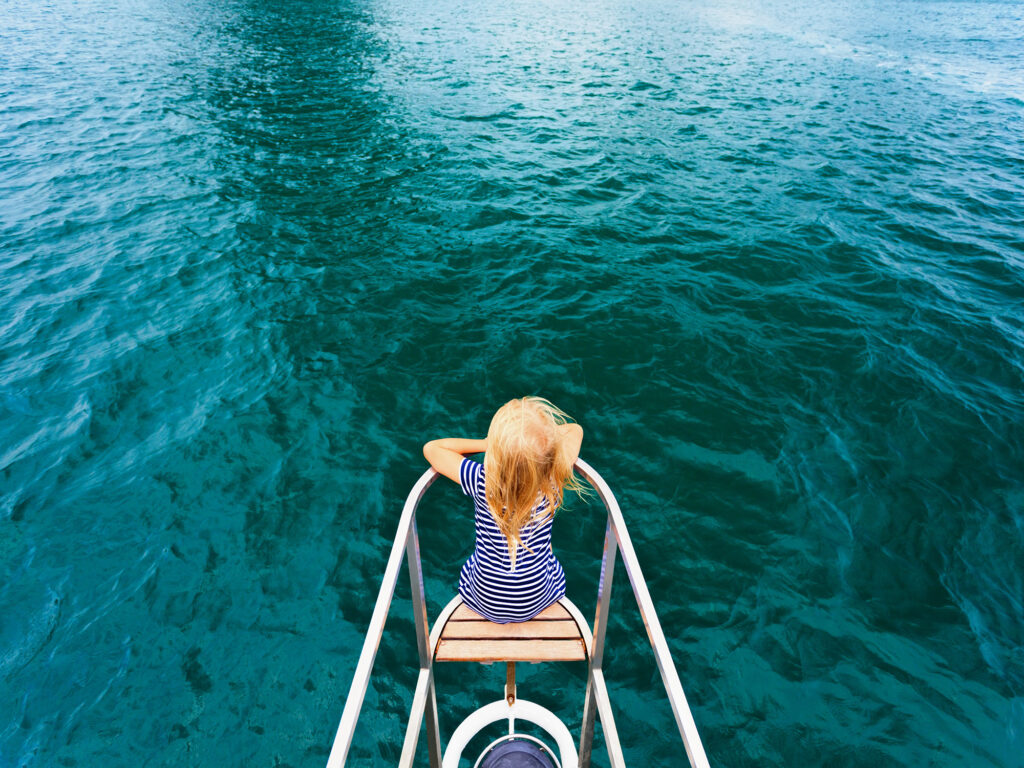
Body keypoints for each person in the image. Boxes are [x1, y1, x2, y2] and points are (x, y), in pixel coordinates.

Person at [423, 397, 586, 623]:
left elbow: (432, 448)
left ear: (497, 457)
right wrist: (540, 444)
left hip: (485, 598)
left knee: (475, 565)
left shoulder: (482, 482)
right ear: (550, 460)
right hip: (537, 599)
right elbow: (573, 430)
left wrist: (486, 443)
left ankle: (487, 647)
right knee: (549, 563)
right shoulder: (553, 481)